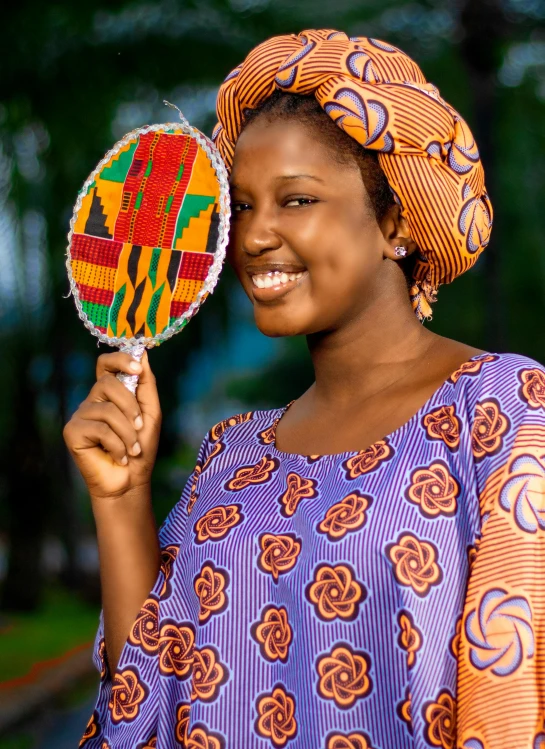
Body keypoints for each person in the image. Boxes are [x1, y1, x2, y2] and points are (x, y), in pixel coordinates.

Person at [64, 30, 545, 749]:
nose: (254, 235)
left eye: (295, 199)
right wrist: (120, 494)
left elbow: (511, 702)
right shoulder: (230, 457)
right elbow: (145, 696)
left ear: (394, 222)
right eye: (242, 205)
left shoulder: (501, 409)